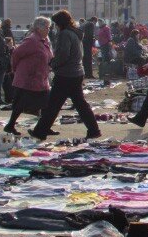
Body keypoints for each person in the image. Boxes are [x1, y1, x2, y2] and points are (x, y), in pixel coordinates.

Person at [29, 10, 101, 141]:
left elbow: (63, 55)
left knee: (53, 104)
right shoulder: (75, 33)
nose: (55, 26)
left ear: (59, 23)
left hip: (66, 74)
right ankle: (94, 129)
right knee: (79, 104)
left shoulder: (64, 34)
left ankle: (40, 131)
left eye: (55, 23)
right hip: (76, 72)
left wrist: (53, 64)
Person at [5, 17, 53, 136]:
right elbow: (16, 54)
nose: (48, 30)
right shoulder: (32, 40)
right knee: (20, 104)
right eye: (47, 27)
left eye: (49, 27)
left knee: (48, 104)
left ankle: (44, 127)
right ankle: (10, 125)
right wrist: (15, 69)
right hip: (28, 78)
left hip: (41, 78)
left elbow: (49, 55)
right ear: (39, 28)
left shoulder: (45, 39)